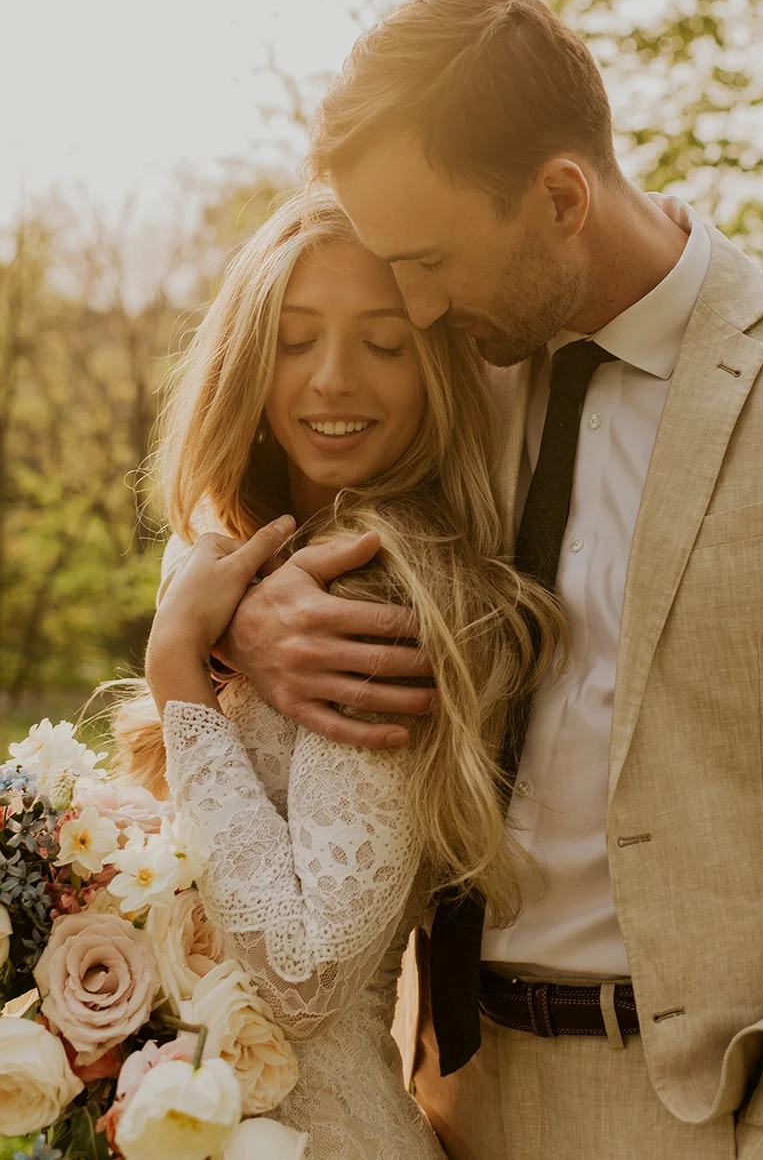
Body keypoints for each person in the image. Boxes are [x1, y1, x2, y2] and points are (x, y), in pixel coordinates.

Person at [211, 0, 763, 1160]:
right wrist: (242, 616)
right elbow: (250, 487)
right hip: (443, 1095)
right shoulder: (442, 375)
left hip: (711, 1113)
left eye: (428, 259)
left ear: (562, 197)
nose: (408, 303)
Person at [127, 189, 562, 1158]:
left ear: (433, 370)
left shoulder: (380, 597)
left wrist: (178, 677)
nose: (333, 380)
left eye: (383, 342)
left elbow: (304, 975)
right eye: (295, 339)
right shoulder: (221, 563)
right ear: (247, 359)